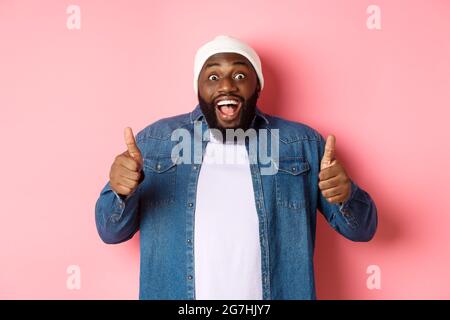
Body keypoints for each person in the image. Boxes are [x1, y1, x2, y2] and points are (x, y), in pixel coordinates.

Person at [95, 35, 377, 300]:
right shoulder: (155, 143)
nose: (227, 85)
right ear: (199, 88)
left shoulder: (301, 143)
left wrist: (345, 196)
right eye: (213, 76)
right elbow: (110, 232)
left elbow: (362, 230)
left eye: (240, 75)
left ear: (258, 86)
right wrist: (120, 193)